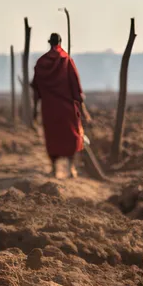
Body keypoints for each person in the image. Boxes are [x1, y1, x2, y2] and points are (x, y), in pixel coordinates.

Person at [32, 32, 86, 177]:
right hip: (67, 107)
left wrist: (34, 109)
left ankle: (54, 169)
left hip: (49, 107)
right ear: (60, 42)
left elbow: (36, 88)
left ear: (49, 42)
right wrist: (81, 105)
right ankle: (71, 168)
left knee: (53, 137)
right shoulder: (66, 60)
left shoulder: (41, 62)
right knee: (71, 136)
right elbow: (75, 84)